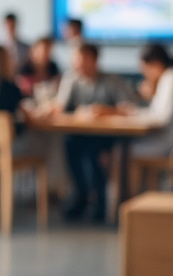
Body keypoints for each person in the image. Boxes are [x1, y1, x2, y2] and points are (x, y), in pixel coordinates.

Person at [49, 43, 137, 220]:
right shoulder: (71, 79)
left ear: (93, 59)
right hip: (80, 133)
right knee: (69, 144)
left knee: (93, 153)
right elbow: (60, 107)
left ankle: (100, 203)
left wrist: (106, 111)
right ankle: (81, 195)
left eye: (80, 59)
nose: (75, 64)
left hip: (107, 135)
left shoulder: (112, 81)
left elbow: (130, 108)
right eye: (74, 59)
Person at [126, 44, 173, 158]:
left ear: (156, 65)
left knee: (122, 148)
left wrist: (132, 114)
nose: (145, 75)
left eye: (145, 70)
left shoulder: (172, 79)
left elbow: (162, 119)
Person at [16, 36, 61, 101]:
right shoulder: (25, 68)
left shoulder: (53, 67)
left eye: (49, 50)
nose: (47, 54)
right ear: (35, 50)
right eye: (44, 50)